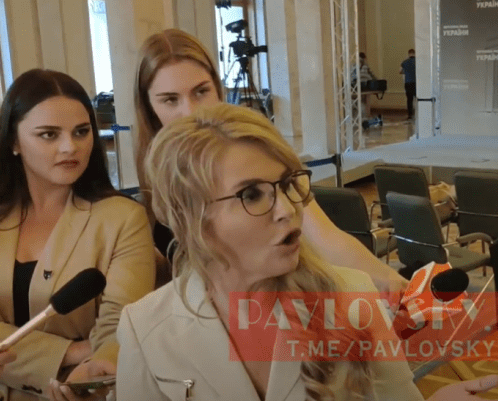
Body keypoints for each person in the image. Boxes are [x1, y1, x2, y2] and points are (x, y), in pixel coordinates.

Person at [116, 102, 498, 401]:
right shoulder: (146, 328)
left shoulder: (350, 295)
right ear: (191, 216)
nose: (287, 209)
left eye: (287, 185)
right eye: (252, 194)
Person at [134, 29, 408, 299]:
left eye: (201, 92)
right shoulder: (151, 175)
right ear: (149, 107)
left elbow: (325, 238)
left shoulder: (256, 155)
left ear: (217, 89)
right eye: (170, 100)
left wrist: (390, 281)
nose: (190, 111)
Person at [0, 69, 156, 401]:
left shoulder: (122, 218)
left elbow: (121, 327)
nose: (70, 147)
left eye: (81, 131)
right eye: (49, 134)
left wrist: (98, 362)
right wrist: (68, 352)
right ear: (13, 141)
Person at [400, 49, 417, 119]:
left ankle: (410, 115)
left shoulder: (404, 62)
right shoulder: (417, 61)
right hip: (416, 83)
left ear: (409, 53)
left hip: (408, 83)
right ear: (414, 53)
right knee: (418, 99)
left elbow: (400, 71)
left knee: (409, 100)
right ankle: (419, 113)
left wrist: (407, 72)